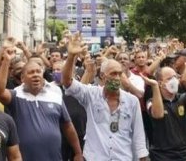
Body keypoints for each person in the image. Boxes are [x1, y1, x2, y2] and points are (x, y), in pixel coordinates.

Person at [61, 32, 149, 161]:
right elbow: (67, 82)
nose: (117, 78)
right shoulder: (91, 95)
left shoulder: (132, 101)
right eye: (113, 74)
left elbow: (139, 138)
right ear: (102, 76)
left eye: (120, 74)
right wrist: (71, 56)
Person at [0, 43, 83, 161]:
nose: (35, 75)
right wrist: (6, 61)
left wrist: (78, 153)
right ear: (22, 79)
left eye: (38, 72)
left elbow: (67, 126)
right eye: (31, 72)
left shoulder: (55, 96)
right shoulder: (16, 96)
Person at [145, 65, 186, 161]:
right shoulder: (151, 101)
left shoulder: (183, 98)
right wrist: (154, 86)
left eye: (175, 77)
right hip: (163, 157)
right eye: (169, 78)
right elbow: (158, 114)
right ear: (160, 83)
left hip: (185, 155)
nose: (174, 80)